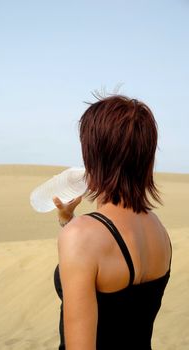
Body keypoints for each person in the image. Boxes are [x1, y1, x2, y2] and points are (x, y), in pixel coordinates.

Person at [53, 94, 172, 350]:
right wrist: (68, 221)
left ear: (95, 155)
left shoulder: (82, 237)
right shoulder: (159, 230)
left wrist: (73, 229)